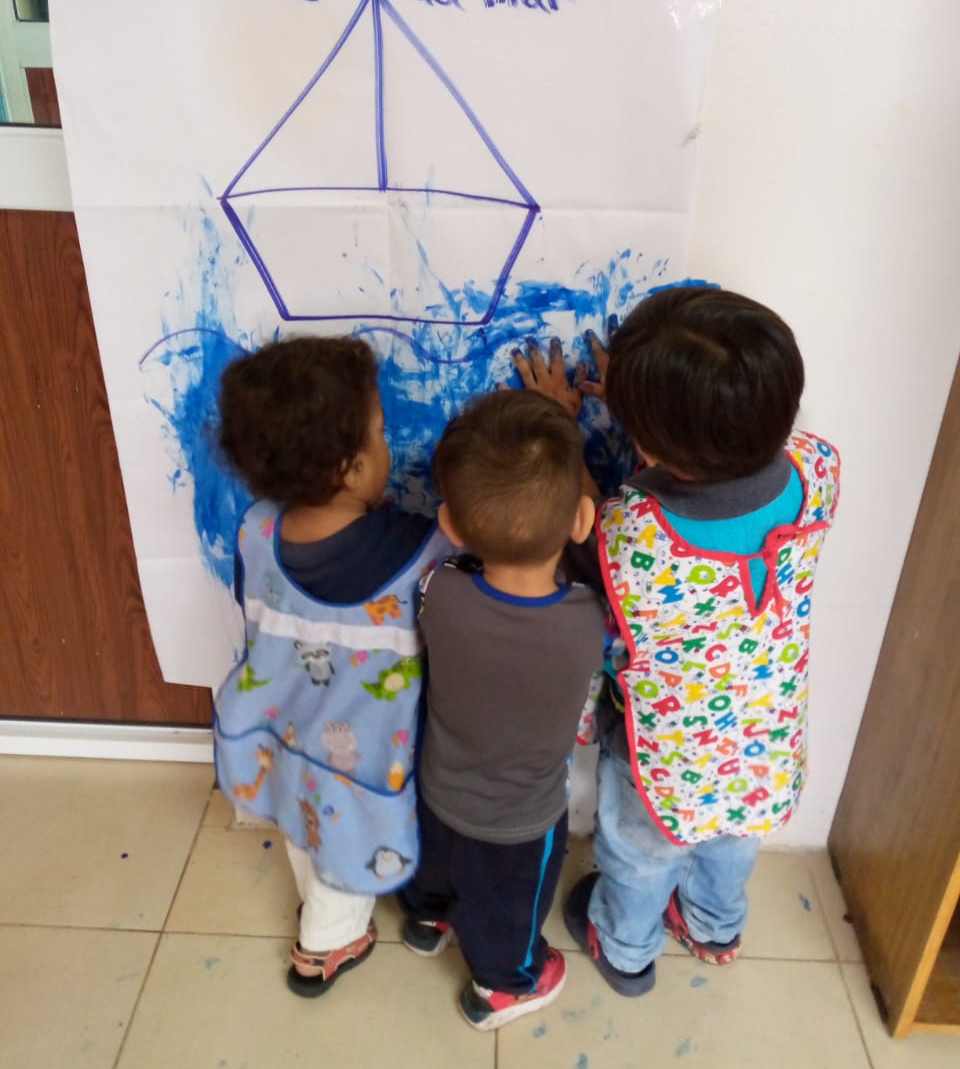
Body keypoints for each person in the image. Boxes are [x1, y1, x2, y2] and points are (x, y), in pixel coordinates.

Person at [519, 286, 840, 996]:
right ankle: (713, 928)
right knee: (733, 843)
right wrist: (661, 406)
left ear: (648, 444)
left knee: (640, 856)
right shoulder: (818, 470)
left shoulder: (634, 537)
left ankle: (625, 950)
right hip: (764, 740)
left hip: (666, 758)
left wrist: (563, 425)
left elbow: (584, 523)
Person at [213, 335, 454, 997]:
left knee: (306, 829)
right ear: (350, 469)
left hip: (284, 736)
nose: (389, 446)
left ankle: (324, 913)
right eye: (381, 433)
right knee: (342, 861)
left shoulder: (256, 530)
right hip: (364, 760)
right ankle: (325, 945)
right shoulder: (423, 549)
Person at [397, 390, 607, 1030]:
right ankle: (503, 986)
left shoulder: (439, 591)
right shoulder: (587, 623)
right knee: (506, 908)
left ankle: (426, 921)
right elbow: (594, 565)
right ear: (581, 519)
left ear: (451, 526)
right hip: (519, 823)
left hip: (436, 789)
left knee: (436, 867)